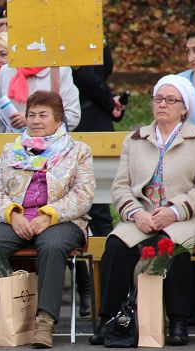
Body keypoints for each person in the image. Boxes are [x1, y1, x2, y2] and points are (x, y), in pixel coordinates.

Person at [0, 91, 95, 349]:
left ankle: (44, 323)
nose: (35, 120)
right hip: (18, 219)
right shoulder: (12, 150)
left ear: (58, 120)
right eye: (31, 114)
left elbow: (83, 195)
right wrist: (12, 214)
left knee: (52, 246)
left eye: (43, 115)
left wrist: (49, 215)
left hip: (60, 220)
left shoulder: (77, 151)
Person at [90, 75, 195, 347]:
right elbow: (120, 186)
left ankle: (178, 320)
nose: (162, 104)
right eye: (158, 98)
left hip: (188, 216)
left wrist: (174, 211)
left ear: (184, 108)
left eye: (171, 100)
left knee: (172, 243)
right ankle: (109, 319)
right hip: (143, 214)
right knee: (116, 245)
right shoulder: (135, 139)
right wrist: (136, 213)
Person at [71, 43, 124, 316]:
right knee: (72, 213)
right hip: (71, 123)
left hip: (93, 122)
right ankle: (87, 288)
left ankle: (104, 289)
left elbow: (99, 72)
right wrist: (109, 100)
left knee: (99, 210)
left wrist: (108, 101)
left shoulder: (92, 35)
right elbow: (86, 76)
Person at [0, 62, 80, 133]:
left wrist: (31, 120)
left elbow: (72, 117)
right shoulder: (6, 70)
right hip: (12, 145)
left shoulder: (61, 70)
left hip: (48, 145)